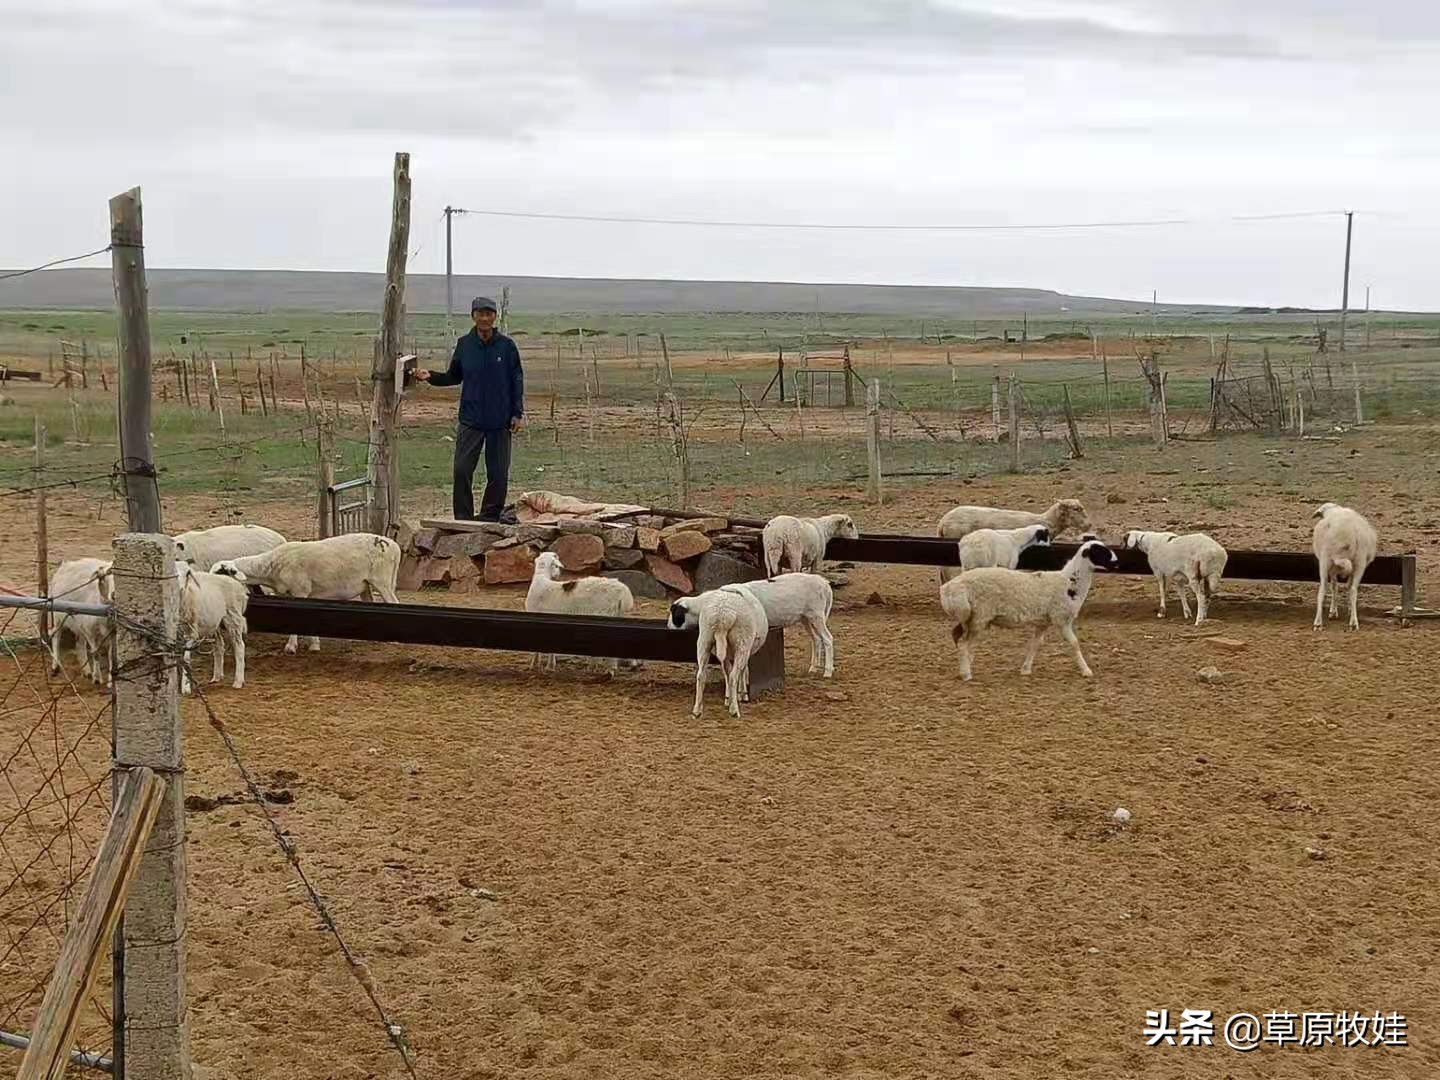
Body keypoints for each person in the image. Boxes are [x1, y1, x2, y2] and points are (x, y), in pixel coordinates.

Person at [415, 296, 525, 522]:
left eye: (489, 313)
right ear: (473, 316)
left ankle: (489, 517)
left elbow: (517, 379)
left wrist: (517, 413)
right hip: (471, 419)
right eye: (480, 313)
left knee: (498, 474)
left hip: (500, 420)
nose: (485, 318)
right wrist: (431, 376)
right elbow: (454, 376)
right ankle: (463, 519)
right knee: (462, 470)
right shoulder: (465, 344)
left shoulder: (506, 346)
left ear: (495, 316)